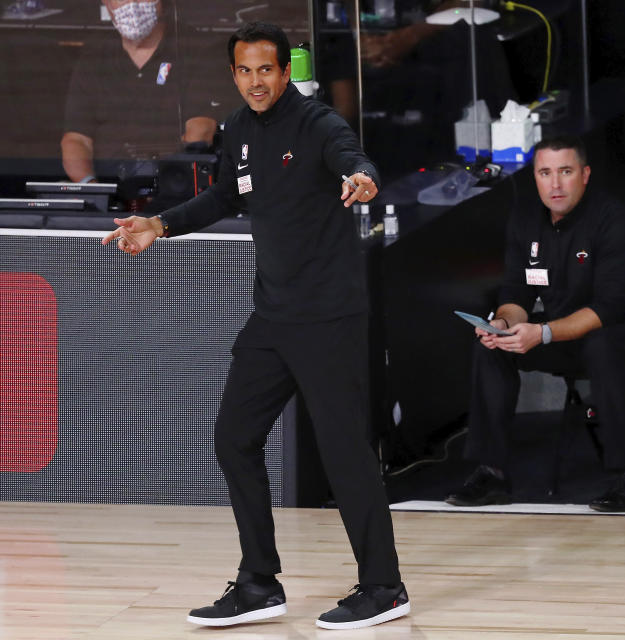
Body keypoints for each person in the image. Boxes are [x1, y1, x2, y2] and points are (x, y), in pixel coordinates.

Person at [100, 22, 409, 630]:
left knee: (345, 453)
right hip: (273, 317)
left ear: (285, 72)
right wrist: (158, 225)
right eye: (244, 71)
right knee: (233, 438)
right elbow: (224, 197)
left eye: (266, 70)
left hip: (328, 318)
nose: (256, 81)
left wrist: (361, 176)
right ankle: (259, 583)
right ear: (234, 75)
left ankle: (385, 587)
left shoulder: (317, 124)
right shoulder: (238, 130)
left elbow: (352, 157)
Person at [445, 136, 625, 513]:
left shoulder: (613, 219)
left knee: (603, 345)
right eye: (545, 173)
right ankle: (492, 473)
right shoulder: (525, 219)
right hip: (567, 328)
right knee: (491, 348)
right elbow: (516, 293)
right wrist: (504, 323)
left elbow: (608, 309)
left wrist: (543, 333)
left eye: (565, 172)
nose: (555, 184)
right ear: (534, 177)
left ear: (584, 175)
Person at [61, 0, 235, 182]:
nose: (133, 5)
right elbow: (76, 139)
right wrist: (92, 189)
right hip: (109, 191)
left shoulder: (196, 49)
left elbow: (200, 129)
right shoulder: (94, 57)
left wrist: (172, 184)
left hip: (173, 189)